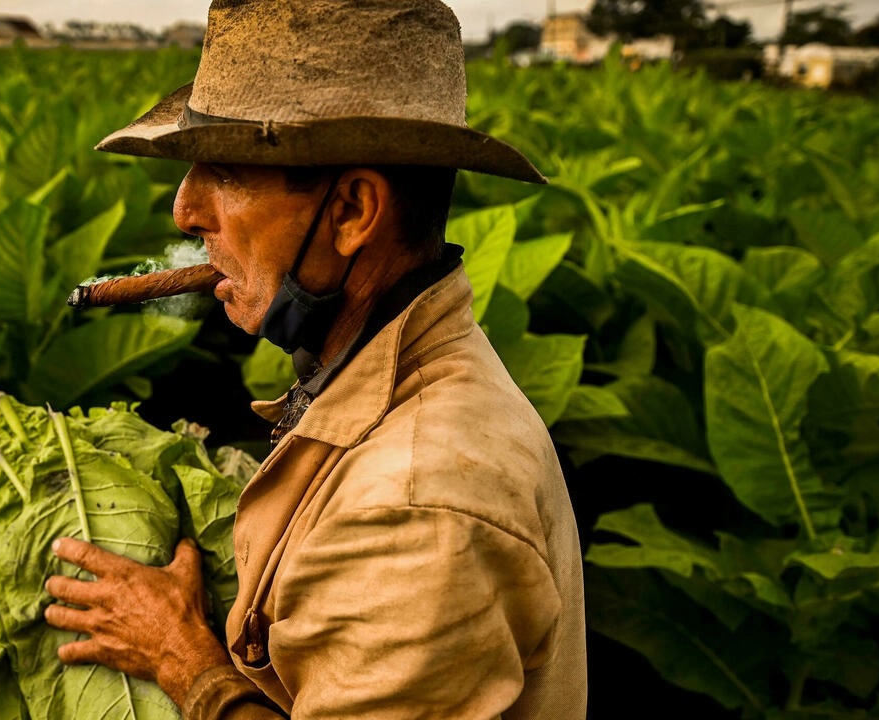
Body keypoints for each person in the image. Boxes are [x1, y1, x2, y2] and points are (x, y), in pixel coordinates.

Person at [43, 1, 588, 718]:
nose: (185, 211)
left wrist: (184, 661)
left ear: (353, 211)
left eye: (229, 172)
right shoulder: (382, 373)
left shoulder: (416, 508)